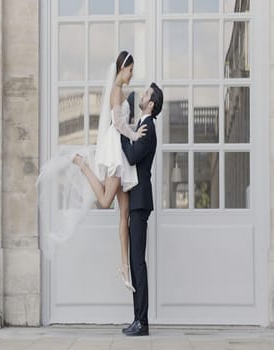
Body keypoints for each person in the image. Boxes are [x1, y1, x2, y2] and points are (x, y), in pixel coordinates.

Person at [73, 51, 146, 292]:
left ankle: (124, 266)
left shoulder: (121, 92)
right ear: (123, 68)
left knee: (124, 214)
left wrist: (133, 130)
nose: (132, 75)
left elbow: (121, 120)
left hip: (122, 152)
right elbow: (117, 122)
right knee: (105, 201)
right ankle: (84, 166)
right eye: (131, 70)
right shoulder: (116, 91)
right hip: (116, 151)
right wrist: (134, 134)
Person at [120, 82, 163, 337]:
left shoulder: (148, 127)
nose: (143, 95)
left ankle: (142, 321)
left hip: (139, 201)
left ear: (151, 103)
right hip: (136, 200)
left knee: (138, 262)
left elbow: (132, 156)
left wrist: (120, 133)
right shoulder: (143, 124)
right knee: (136, 261)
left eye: (146, 94)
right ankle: (138, 319)